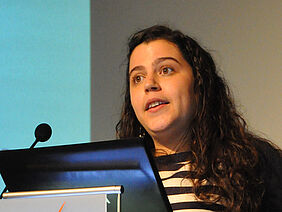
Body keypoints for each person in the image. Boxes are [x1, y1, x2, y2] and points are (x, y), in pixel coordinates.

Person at [116, 25, 281, 211]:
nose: (149, 84)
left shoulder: (252, 162)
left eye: (166, 70)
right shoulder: (116, 179)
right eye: (137, 78)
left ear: (199, 85)